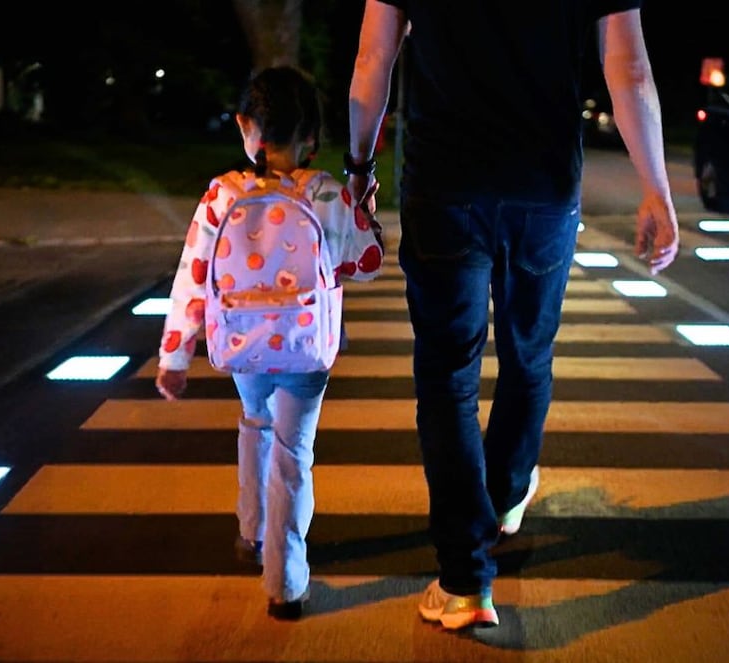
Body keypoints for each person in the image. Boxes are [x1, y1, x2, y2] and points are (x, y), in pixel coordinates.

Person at [346, 1, 680, 630]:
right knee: (528, 355)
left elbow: (373, 58)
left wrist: (360, 165)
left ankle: (465, 580)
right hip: (543, 186)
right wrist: (655, 187)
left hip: (444, 183)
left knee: (447, 378)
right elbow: (629, 70)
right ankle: (503, 492)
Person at [155, 65, 384, 621]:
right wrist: (366, 212)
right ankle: (284, 580)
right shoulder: (325, 192)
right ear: (310, 138)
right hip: (307, 349)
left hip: (243, 345)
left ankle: (250, 530)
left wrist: (175, 356)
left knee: (255, 419)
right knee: (294, 452)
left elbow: (192, 276)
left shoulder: (220, 196)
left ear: (245, 127)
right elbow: (367, 263)